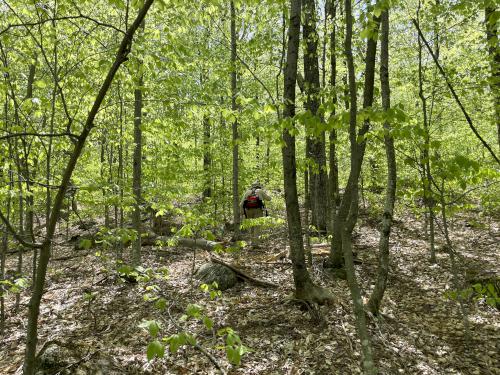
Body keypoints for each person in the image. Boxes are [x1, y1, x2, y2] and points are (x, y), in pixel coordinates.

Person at [240, 181, 272, 246]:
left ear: (252, 186)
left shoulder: (247, 192)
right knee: (257, 227)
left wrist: (242, 213)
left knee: (251, 226)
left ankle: (252, 242)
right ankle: (256, 244)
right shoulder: (260, 191)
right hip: (258, 210)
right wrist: (268, 193)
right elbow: (269, 199)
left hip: (248, 211)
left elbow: (241, 204)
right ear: (258, 186)